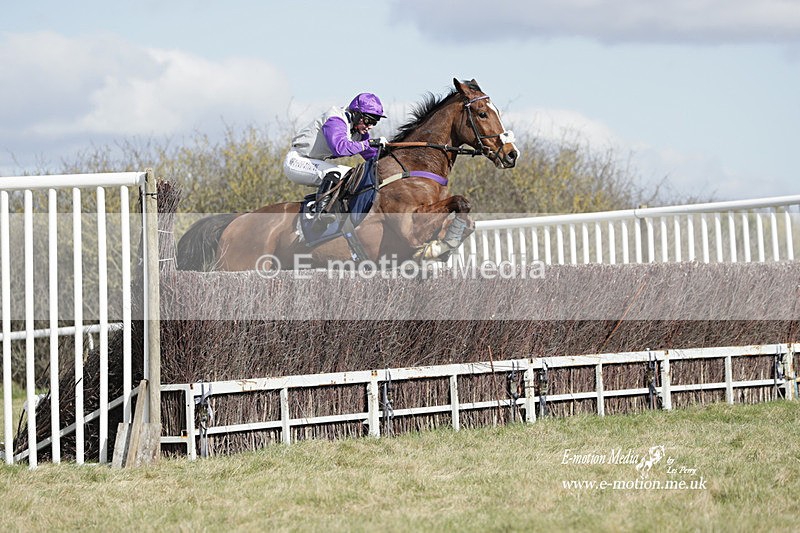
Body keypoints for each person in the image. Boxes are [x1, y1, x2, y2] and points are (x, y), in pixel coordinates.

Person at [283, 92, 388, 221]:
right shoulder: (335, 120)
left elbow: (372, 155)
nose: (370, 126)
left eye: (374, 122)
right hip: (297, 161)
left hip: (313, 161)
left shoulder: (358, 130)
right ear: (356, 113)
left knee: (353, 175)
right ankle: (320, 215)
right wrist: (369, 143)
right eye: (368, 121)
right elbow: (340, 148)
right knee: (339, 173)